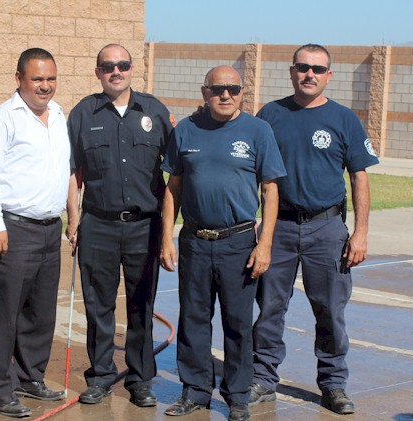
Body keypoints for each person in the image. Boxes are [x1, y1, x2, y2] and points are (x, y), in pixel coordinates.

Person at [250, 43, 380, 415]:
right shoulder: (270, 115)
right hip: (279, 228)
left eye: (318, 69)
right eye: (303, 67)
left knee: (330, 311)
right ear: (292, 71)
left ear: (329, 75)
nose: (310, 74)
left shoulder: (344, 119)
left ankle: (333, 384)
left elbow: (359, 177)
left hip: (327, 229)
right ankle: (263, 379)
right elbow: (252, 173)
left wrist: (360, 232)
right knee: (270, 308)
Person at [160, 65, 286, 421]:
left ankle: (238, 395)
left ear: (242, 92)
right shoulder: (186, 129)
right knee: (193, 319)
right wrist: (167, 237)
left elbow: (271, 191)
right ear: (205, 92)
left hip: (239, 242)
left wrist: (265, 244)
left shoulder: (258, 131)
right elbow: (173, 188)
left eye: (233, 88)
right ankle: (195, 391)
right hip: (195, 241)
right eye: (218, 89)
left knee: (238, 322)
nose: (225, 95)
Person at [66, 43, 175, 408]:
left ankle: (141, 380)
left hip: (145, 226)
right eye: (108, 66)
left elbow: (175, 173)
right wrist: (73, 219)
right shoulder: (83, 113)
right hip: (98, 224)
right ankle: (100, 376)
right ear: (98, 72)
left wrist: (168, 231)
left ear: (132, 69)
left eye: (123, 65)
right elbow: (72, 172)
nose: (116, 71)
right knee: (98, 305)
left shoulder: (155, 112)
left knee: (141, 304)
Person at [0, 48, 75, 418]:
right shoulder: (2, 118)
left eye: (51, 79)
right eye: (37, 79)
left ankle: (30, 377)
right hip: (12, 230)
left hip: (49, 229)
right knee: (6, 314)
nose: (45, 86)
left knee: (40, 312)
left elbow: (65, 170)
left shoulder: (59, 115)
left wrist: (72, 217)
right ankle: (0, 390)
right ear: (19, 79)